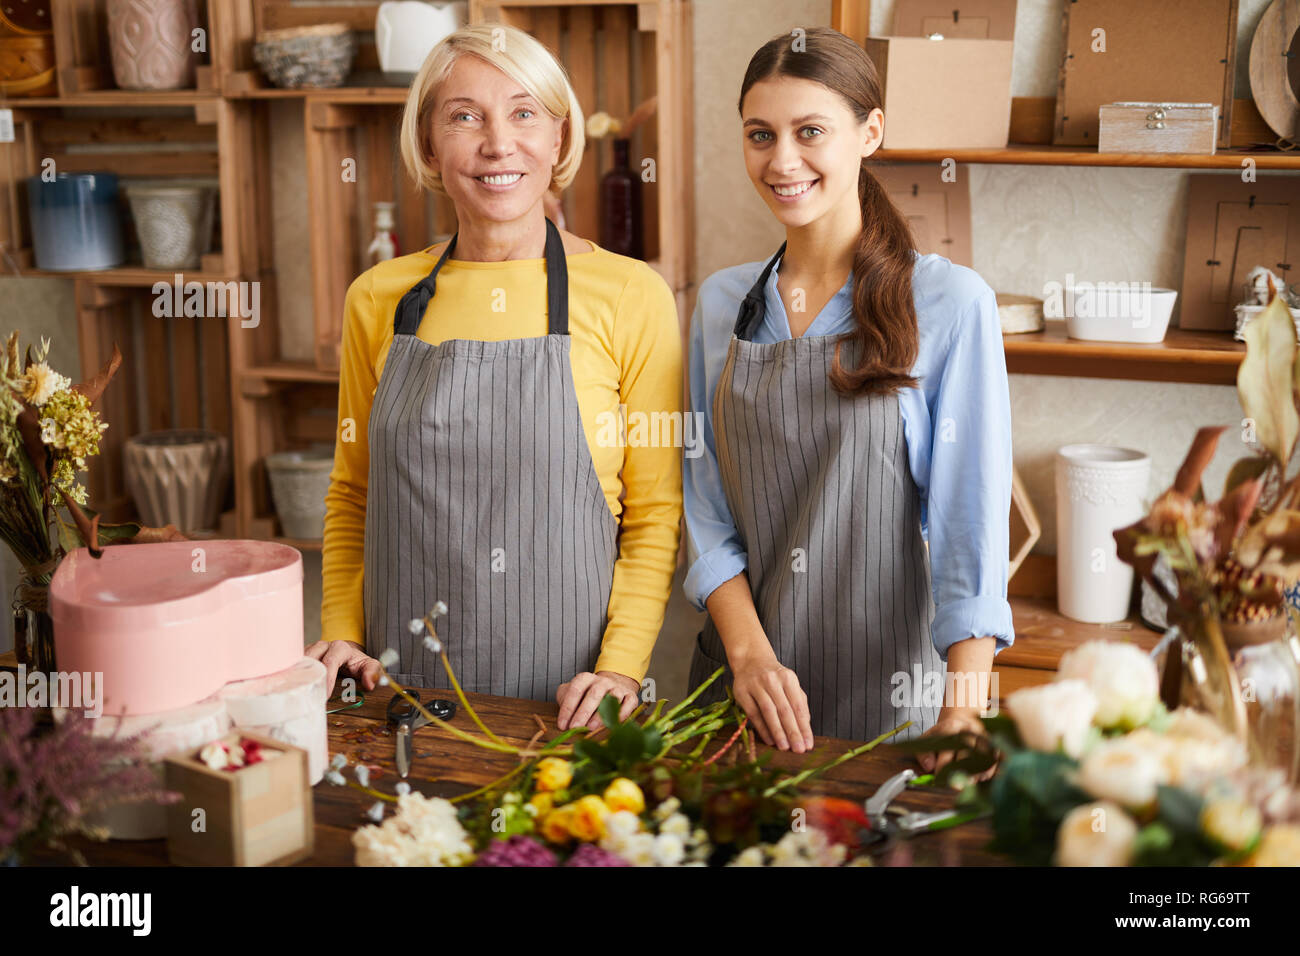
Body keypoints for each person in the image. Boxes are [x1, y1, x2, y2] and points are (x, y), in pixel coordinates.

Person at [310, 24, 683, 733]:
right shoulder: (378, 298)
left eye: (523, 113)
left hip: (568, 700)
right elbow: (353, 492)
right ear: (428, 145)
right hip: (397, 691)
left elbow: (655, 514)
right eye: (463, 116)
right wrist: (342, 633)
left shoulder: (632, 295)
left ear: (558, 136)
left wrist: (620, 669)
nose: (497, 143)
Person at [683, 27, 1014, 768]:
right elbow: (702, 505)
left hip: (887, 700)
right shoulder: (720, 304)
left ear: (870, 133)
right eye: (760, 135)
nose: (782, 161)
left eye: (811, 132)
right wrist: (750, 658)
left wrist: (961, 712)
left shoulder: (950, 303)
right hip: (739, 690)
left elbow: (970, 524)